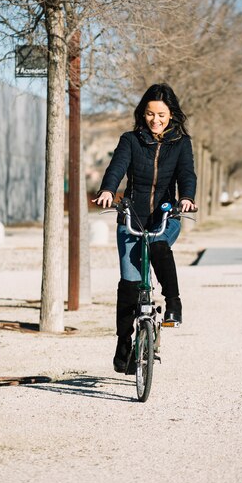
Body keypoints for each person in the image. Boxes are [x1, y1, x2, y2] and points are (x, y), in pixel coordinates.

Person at [93, 83, 197, 373]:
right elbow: (116, 167)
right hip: (132, 217)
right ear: (143, 113)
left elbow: (187, 174)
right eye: (150, 114)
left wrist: (187, 198)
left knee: (159, 245)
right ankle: (123, 343)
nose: (156, 120)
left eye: (161, 115)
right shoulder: (130, 140)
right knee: (129, 284)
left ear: (171, 115)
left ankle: (173, 302)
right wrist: (108, 191)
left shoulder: (181, 143)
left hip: (166, 215)